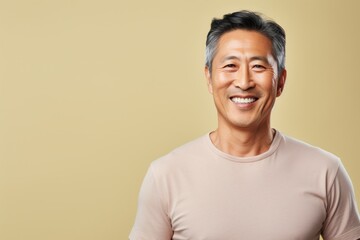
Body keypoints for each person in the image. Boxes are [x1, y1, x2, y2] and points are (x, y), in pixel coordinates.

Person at [129, 10, 360, 240]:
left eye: (258, 67)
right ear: (209, 78)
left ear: (280, 82)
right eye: (230, 66)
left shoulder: (326, 171)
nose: (244, 82)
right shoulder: (166, 175)